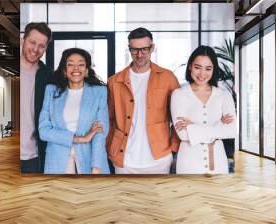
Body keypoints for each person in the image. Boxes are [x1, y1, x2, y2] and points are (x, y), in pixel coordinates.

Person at [107, 27, 180, 174]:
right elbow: (109, 119)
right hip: (124, 159)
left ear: (152, 48)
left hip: (159, 158)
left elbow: (178, 118)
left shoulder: (168, 78)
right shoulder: (114, 81)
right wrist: (109, 147)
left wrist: (173, 148)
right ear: (129, 49)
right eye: (134, 50)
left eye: (144, 49)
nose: (139, 55)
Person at [38, 48, 110, 174]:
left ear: (87, 70)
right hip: (57, 159)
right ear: (65, 71)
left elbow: (100, 132)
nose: (76, 68)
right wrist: (81, 139)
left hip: (90, 158)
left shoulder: (99, 92)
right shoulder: (51, 91)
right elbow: (43, 131)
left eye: (81, 64)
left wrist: (96, 168)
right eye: (70, 64)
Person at [171, 45, 236, 174]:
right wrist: (218, 126)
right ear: (190, 66)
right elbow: (183, 134)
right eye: (197, 67)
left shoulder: (224, 95)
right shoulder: (178, 94)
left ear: (213, 70)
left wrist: (192, 127)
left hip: (218, 161)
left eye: (208, 68)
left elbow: (230, 131)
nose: (202, 74)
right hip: (188, 161)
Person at [20, 22, 52, 173]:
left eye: (41, 46)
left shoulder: (48, 76)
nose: (35, 49)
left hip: (34, 156)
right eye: (32, 42)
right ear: (22, 40)